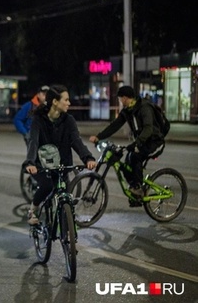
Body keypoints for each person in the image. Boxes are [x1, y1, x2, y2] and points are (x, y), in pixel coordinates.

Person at [23, 85, 97, 225]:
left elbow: (76, 141)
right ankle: (33, 210)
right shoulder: (38, 120)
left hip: (62, 165)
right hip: (42, 165)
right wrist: (30, 162)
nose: (69, 103)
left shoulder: (69, 120)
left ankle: (68, 237)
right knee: (47, 186)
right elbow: (33, 141)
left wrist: (88, 157)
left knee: (66, 198)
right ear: (55, 102)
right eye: (66, 100)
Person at [89, 85, 165, 200]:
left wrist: (136, 143)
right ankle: (134, 187)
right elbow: (115, 125)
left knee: (135, 157)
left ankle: (138, 187)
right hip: (142, 141)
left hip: (154, 141)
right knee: (127, 160)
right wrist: (99, 137)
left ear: (125, 98)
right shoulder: (127, 111)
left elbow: (148, 129)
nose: (120, 101)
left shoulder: (144, 107)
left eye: (120, 99)